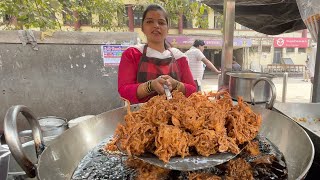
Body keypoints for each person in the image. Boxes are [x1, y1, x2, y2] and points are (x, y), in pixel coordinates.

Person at [118, 4, 196, 104]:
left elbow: (193, 91)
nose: (156, 26)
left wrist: (176, 85)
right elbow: (124, 91)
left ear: (167, 29)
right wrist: (151, 86)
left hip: (176, 117)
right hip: (140, 116)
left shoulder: (179, 57)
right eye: (149, 21)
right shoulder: (132, 54)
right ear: (142, 28)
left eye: (161, 22)